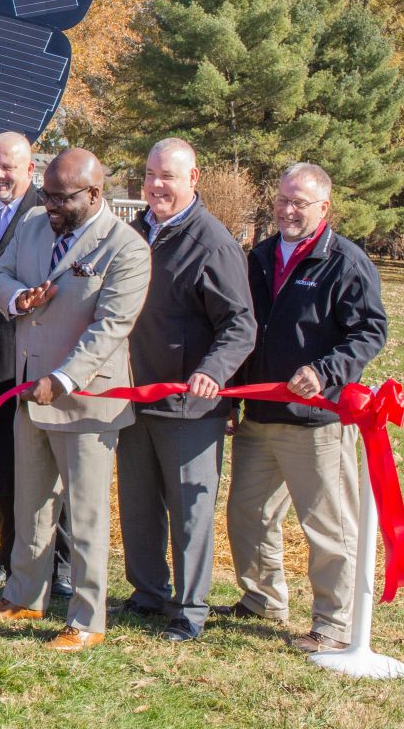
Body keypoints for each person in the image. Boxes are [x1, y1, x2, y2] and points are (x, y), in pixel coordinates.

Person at [0, 147, 151, 652]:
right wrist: (18, 298)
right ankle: (24, 595)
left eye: (60, 197)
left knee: (86, 515)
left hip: (88, 401)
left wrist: (64, 379)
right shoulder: (30, 223)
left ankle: (88, 619)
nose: (49, 204)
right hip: (30, 391)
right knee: (31, 505)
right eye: (46, 194)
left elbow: (110, 328)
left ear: (94, 194)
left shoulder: (126, 248)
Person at [220, 162, 386, 654]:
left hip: (318, 422)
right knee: (247, 514)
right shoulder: (262, 256)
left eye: (299, 203)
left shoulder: (346, 262)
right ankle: (263, 598)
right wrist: (233, 391)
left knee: (329, 527)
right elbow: (244, 328)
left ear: (324, 209)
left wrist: (326, 371)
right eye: (282, 200)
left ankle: (335, 623)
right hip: (260, 415)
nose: (288, 210)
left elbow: (370, 332)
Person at [116, 139, 255, 642]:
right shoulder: (133, 234)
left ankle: (190, 609)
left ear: (193, 178)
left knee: (190, 509)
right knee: (137, 503)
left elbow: (240, 324)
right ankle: (149, 592)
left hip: (190, 406)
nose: (156, 185)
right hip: (134, 397)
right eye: (151, 174)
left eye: (168, 176)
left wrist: (213, 372)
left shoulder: (212, 243)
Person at [0, 132, 72, 594]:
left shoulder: (50, 220)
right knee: (2, 466)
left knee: (48, 468)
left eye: (8, 167)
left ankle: (61, 567)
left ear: (30, 170)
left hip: (34, 361)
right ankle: (10, 555)